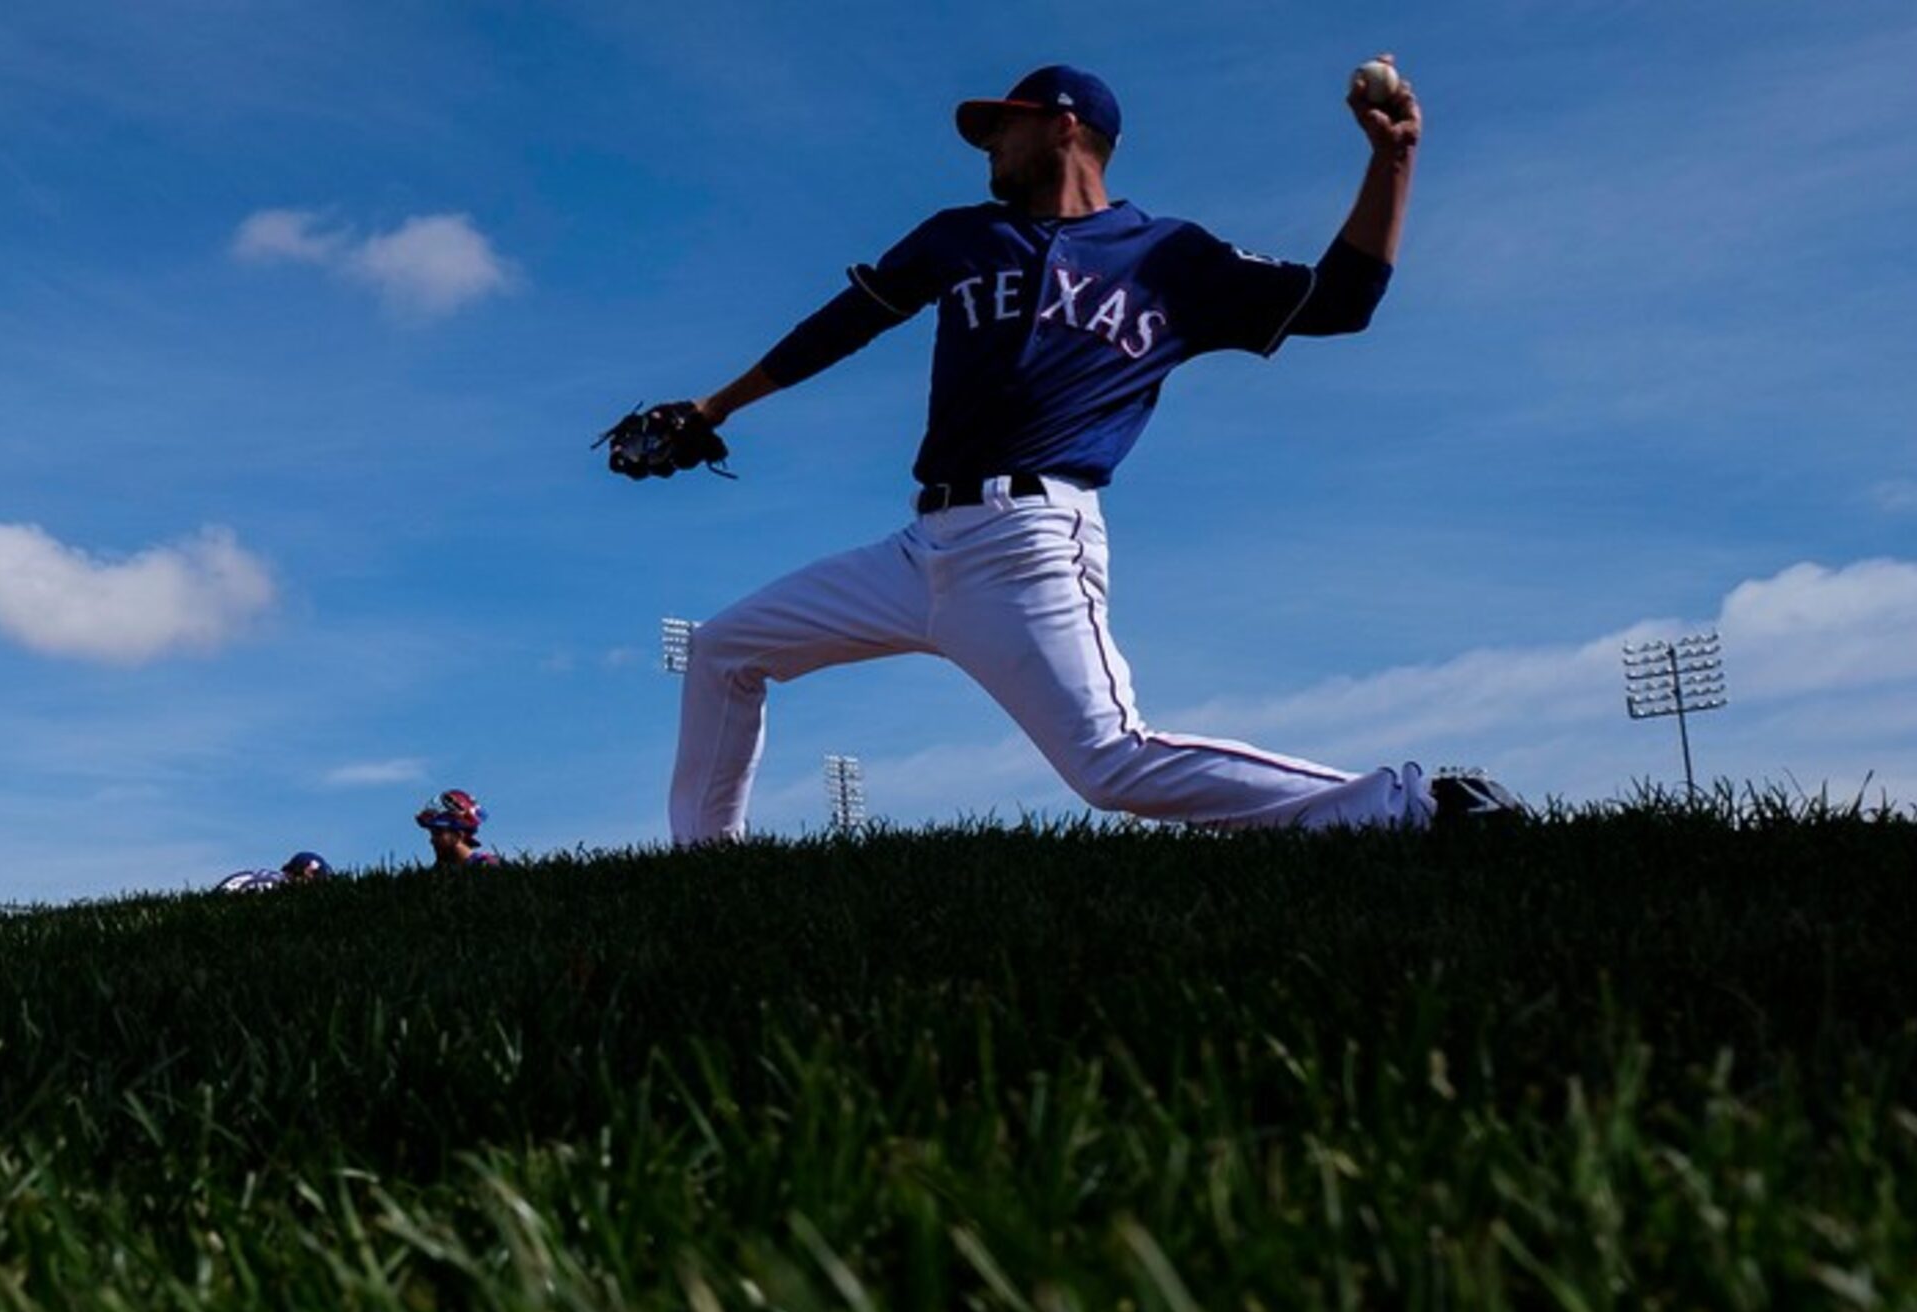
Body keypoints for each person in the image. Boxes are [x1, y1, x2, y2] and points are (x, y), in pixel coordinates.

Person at [630, 58, 1524, 841]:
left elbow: (1342, 302)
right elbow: (845, 325)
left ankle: (1411, 807)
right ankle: (702, 865)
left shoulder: (1170, 256)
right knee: (723, 651)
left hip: (1030, 546)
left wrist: (1392, 160)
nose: (987, 150)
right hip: (916, 552)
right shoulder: (962, 235)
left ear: (1065, 127)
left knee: (1111, 766)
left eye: (1003, 130)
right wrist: (717, 405)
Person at [416, 789, 502, 867]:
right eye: (432, 834)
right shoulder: (438, 873)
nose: (432, 841)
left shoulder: (488, 865)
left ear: (459, 835)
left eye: (438, 833)